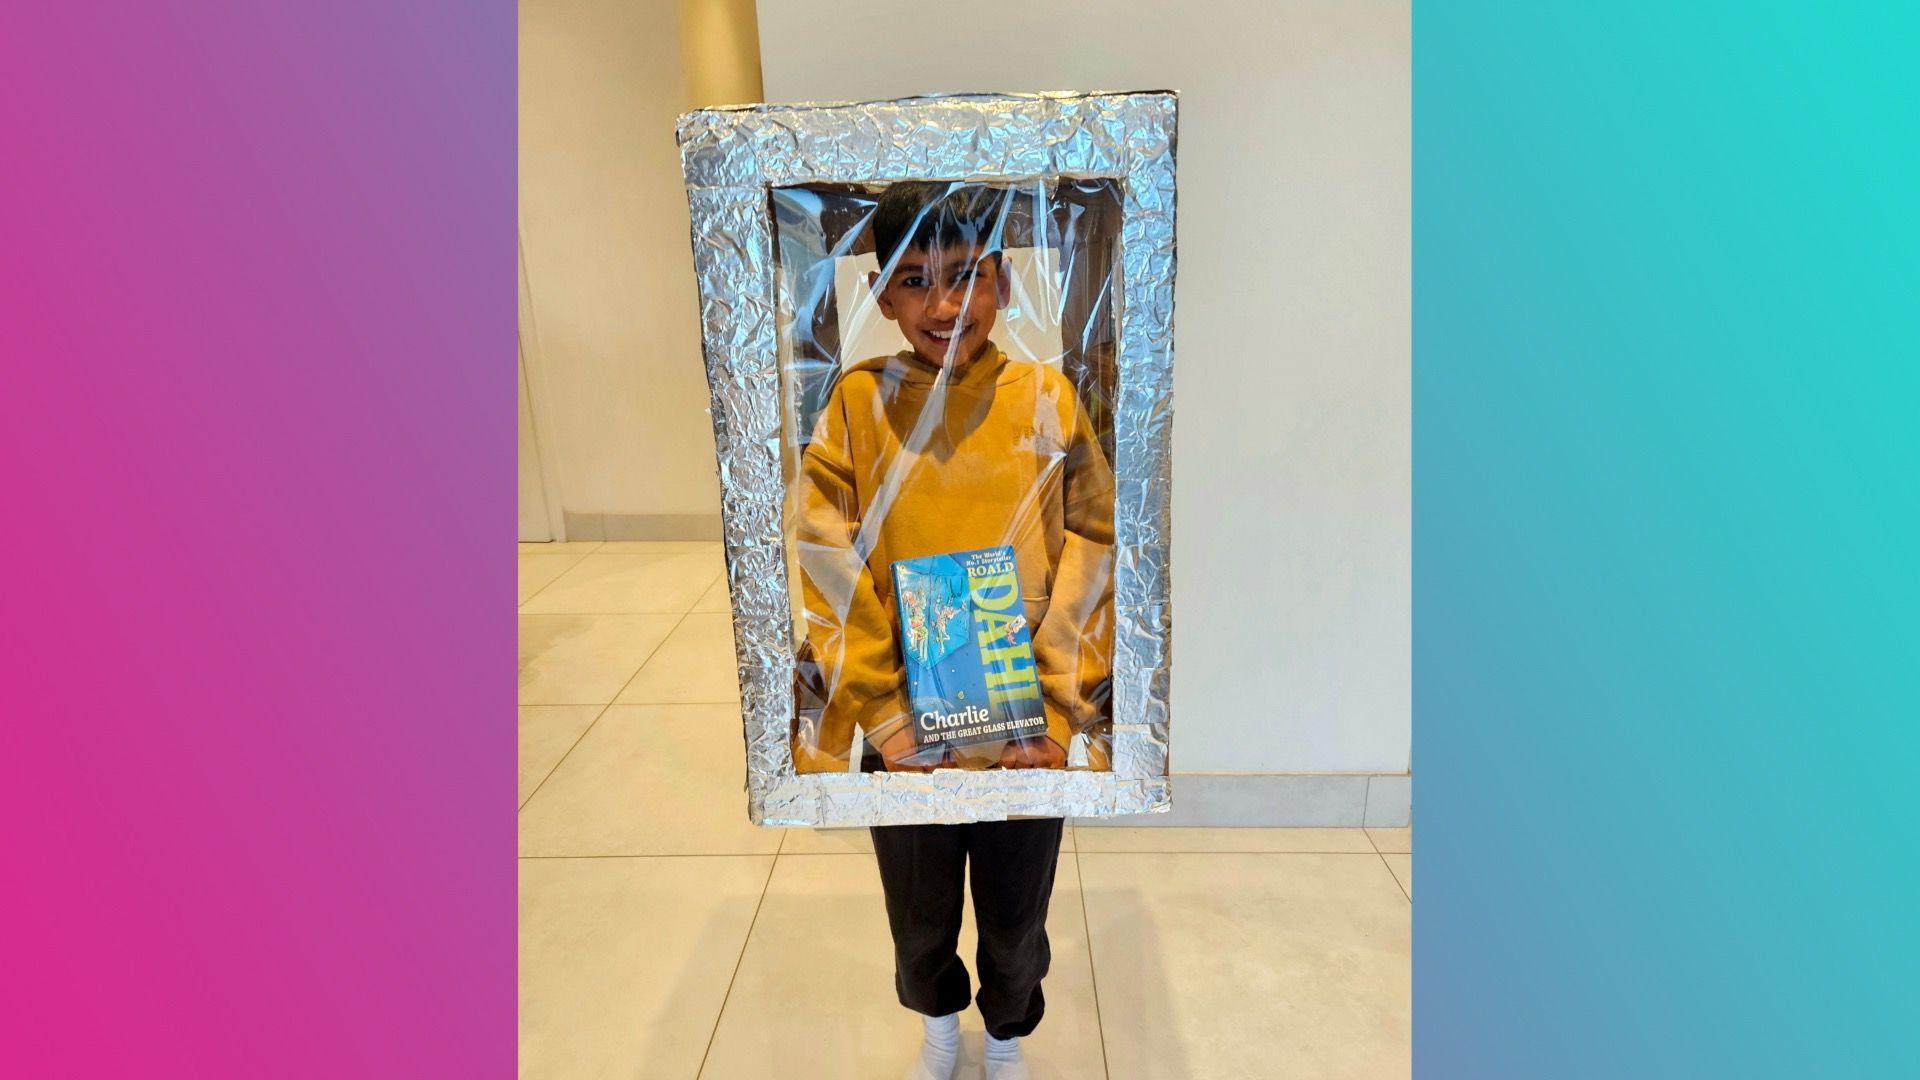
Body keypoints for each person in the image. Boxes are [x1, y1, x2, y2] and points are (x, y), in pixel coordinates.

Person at [790, 180, 1116, 1079]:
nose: (944, 305)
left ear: (1002, 282)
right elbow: (823, 552)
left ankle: (1005, 1032)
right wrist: (883, 712)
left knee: (1017, 917)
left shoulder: (1045, 397)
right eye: (917, 280)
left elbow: (1095, 542)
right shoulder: (859, 406)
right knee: (919, 915)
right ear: (881, 295)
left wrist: (1057, 707)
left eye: (967, 276)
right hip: (905, 736)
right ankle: (939, 1024)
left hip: (1024, 732)